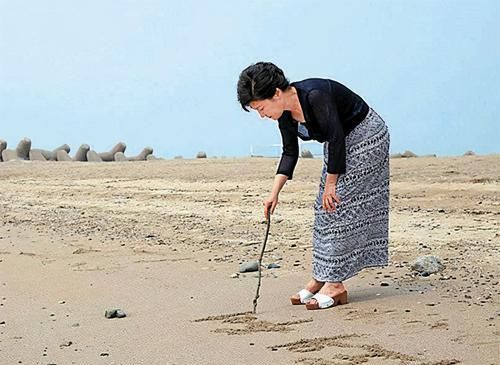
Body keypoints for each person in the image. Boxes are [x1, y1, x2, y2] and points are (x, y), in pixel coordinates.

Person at [236, 62, 390, 310]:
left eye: (261, 108)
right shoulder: (284, 114)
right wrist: (273, 194)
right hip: (338, 143)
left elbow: (337, 136)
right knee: (323, 208)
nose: (261, 115)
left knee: (338, 205)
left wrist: (332, 185)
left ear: (276, 94)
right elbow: (289, 153)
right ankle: (322, 275)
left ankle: (336, 284)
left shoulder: (314, 95)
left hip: (366, 136)